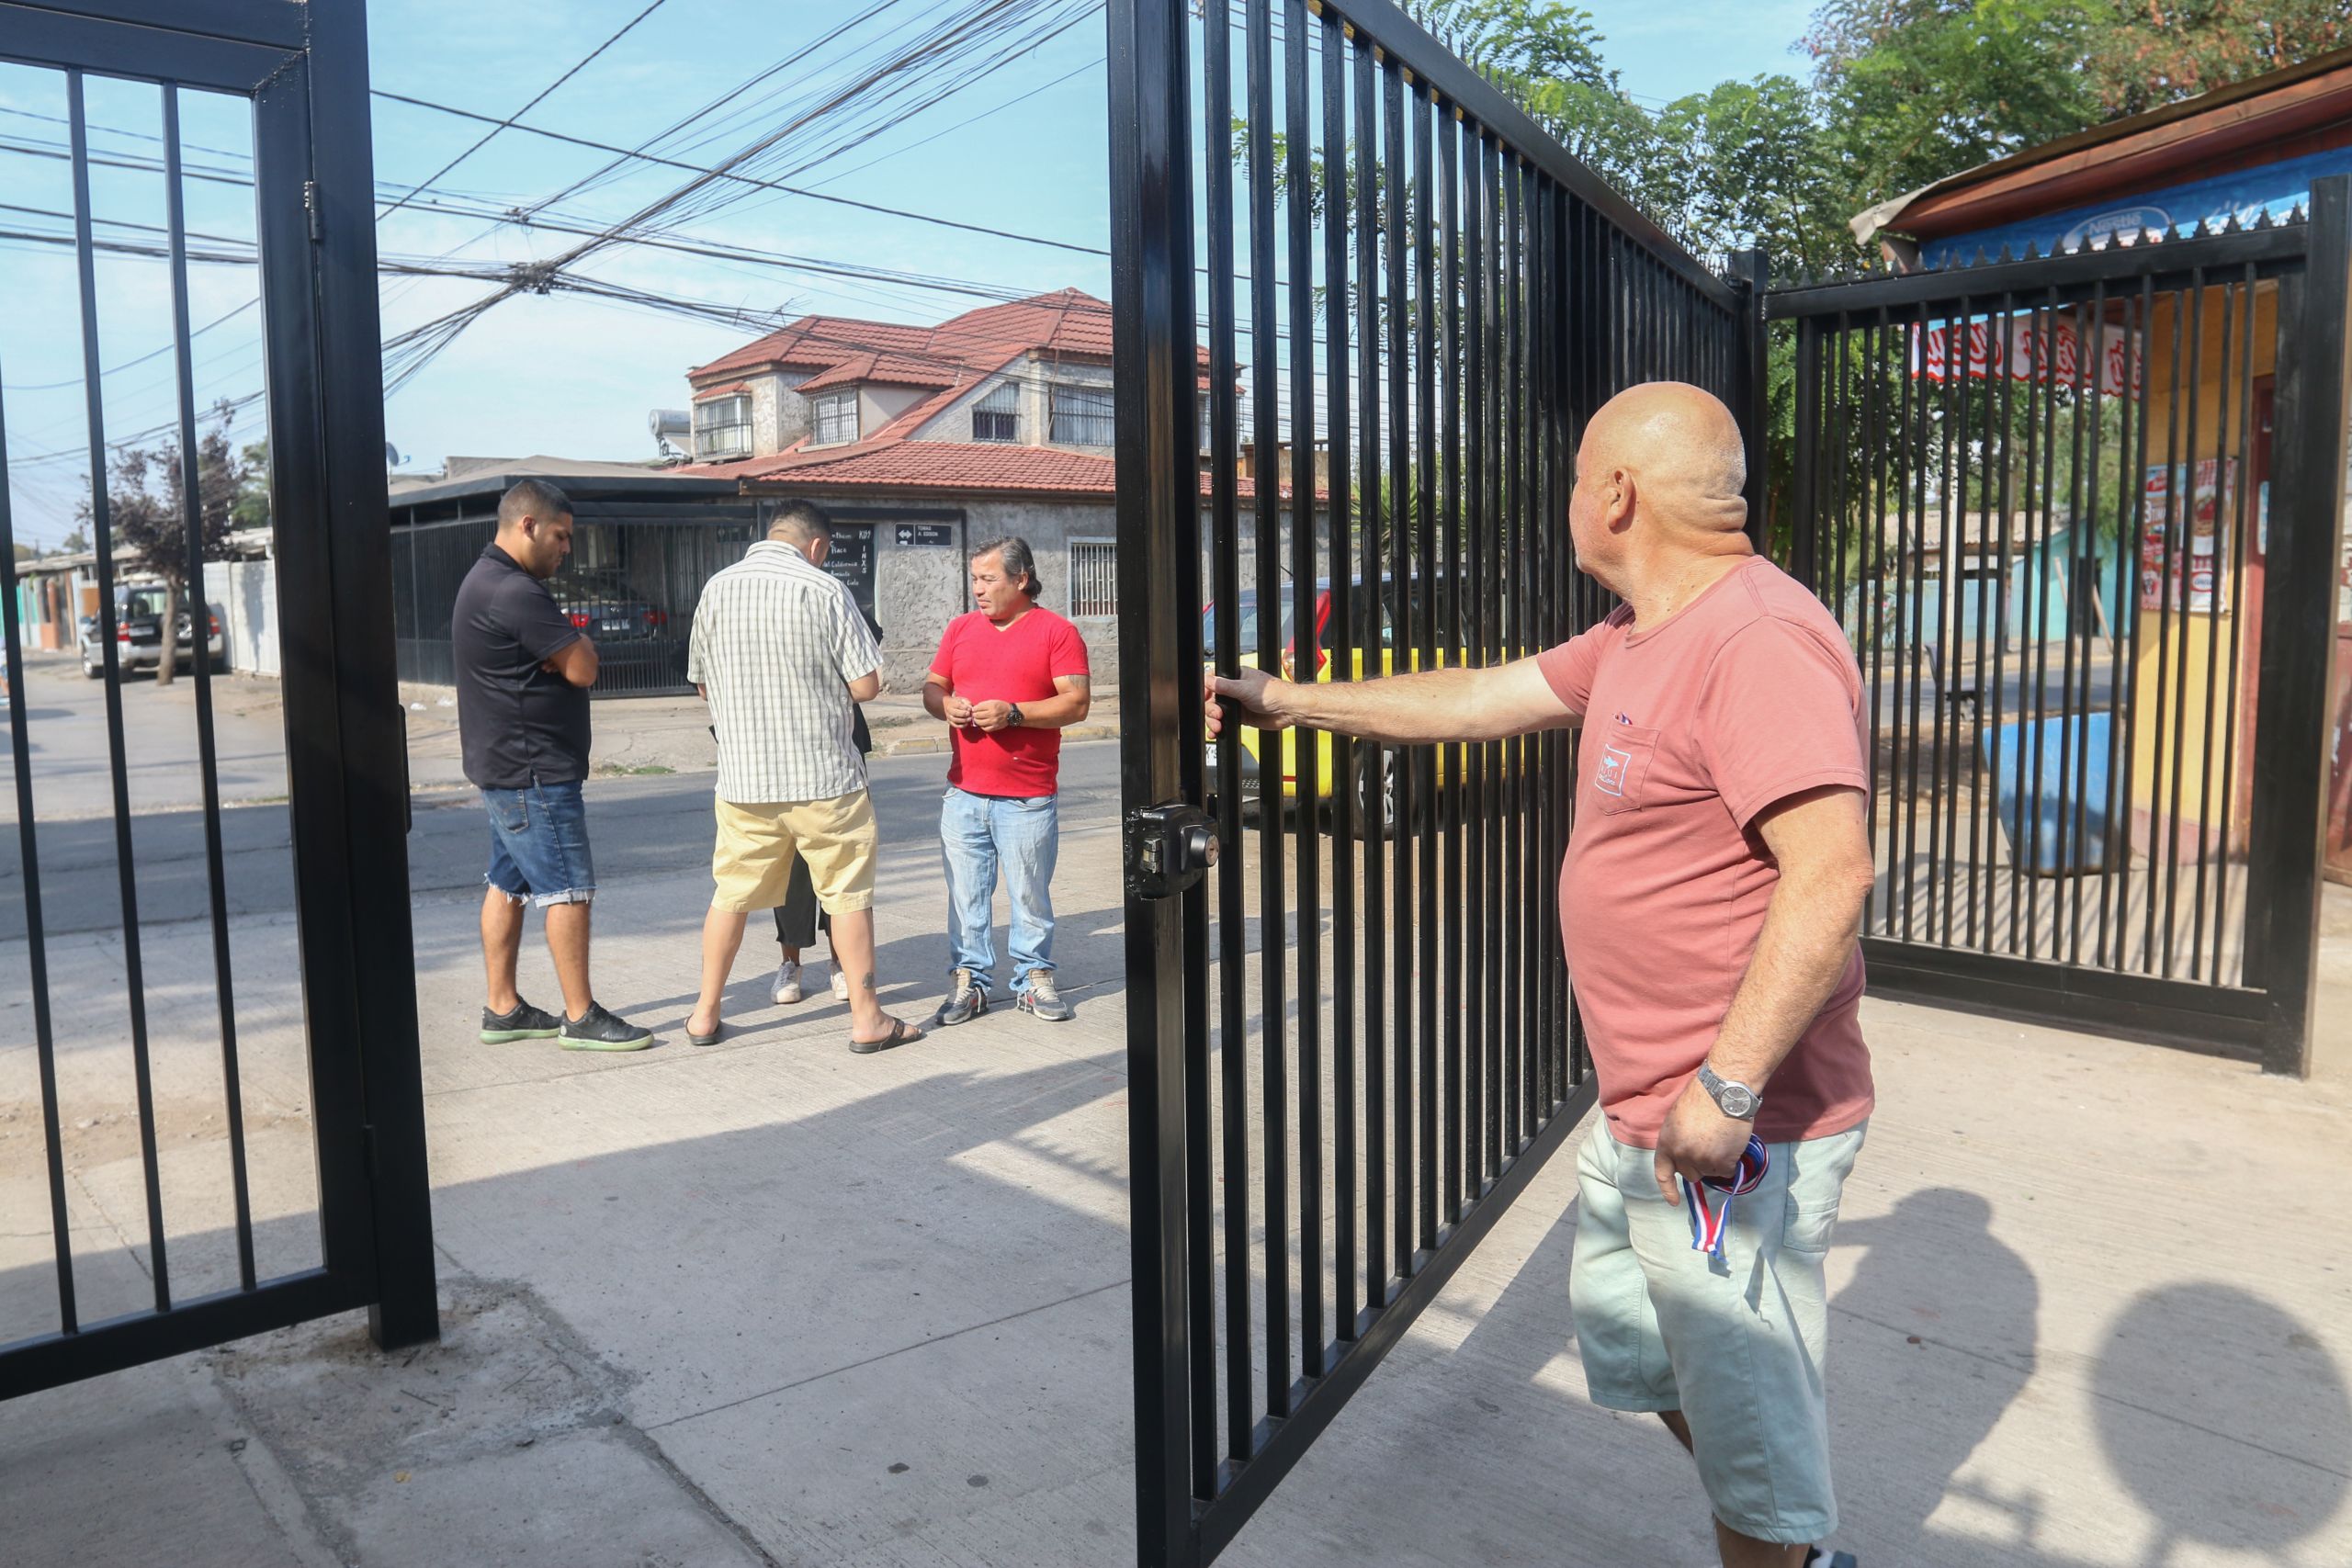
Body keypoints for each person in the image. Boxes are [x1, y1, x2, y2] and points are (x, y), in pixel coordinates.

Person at [1206, 382, 1877, 1568]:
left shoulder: (1755, 638)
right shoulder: (1637, 635)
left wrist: (1724, 1091)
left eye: (1577, 474)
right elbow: (1476, 696)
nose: (1571, 497)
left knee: (1757, 1464)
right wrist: (1286, 697)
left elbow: (1829, 876)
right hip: (1646, 1115)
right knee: (1637, 1352)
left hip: (1733, 1127)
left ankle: (1791, 1549)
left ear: (1615, 494)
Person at [685, 501, 922, 1054]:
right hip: (824, 778)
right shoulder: (823, 588)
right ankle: (868, 1021)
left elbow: (701, 686)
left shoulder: (716, 588)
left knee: (731, 896)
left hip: (744, 780)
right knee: (847, 896)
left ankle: (703, 1014)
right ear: (817, 546)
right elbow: (866, 686)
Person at [455, 479, 651, 1051]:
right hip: (534, 770)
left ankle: (503, 1006)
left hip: (506, 768)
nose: (567, 549)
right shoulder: (514, 591)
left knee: (506, 884)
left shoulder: (485, 581)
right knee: (568, 889)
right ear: (528, 525)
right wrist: (572, 651)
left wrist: (564, 656)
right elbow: (585, 667)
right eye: (561, 537)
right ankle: (580, 1014)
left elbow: (568, 662)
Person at [923, 537, 1091, 1025]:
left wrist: (1015, 713)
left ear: (1022, 579)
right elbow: (934, 687)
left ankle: (1034, 978)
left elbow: (1076, 704)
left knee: (1029, 896)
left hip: (1026, 800)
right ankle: (969, 981)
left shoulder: (1057, 632)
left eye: (988, 578)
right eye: (975, 578)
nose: (978, 589)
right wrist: (944, 705)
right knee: (966, 898)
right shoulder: (960, 629)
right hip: (964, 794)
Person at [771, 610, 880, 1004]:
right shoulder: (750, 601)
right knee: (790, 868)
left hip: (838, 747)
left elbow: (868, 655)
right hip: (778, 749)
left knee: (843, 864)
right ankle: (790, 962)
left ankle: (840, 961)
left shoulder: (830, 597)